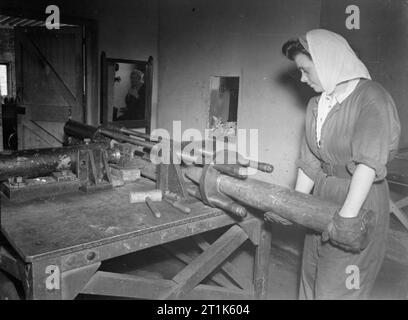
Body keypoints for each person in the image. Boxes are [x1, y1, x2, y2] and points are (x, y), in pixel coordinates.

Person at [281, 29, 401, 299]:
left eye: (306, 70)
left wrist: (348, 217)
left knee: (337, 289)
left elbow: (368, 164)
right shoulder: (317, 104)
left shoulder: (371, 97)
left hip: (358, 199)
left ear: (328, 61)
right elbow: (310, 160)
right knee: (310, 279)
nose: (302, 78)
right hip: (322, 197)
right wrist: (295, 203)